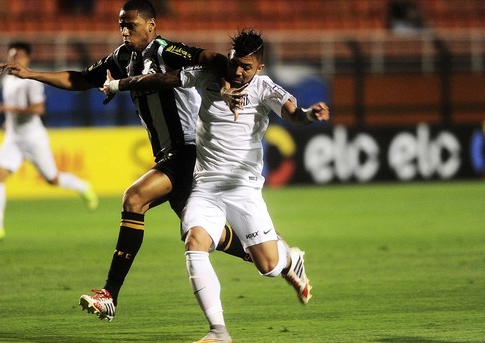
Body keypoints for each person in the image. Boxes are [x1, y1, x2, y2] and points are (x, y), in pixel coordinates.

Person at [0, 0, 251, 321]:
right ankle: (272, 254)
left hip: (190, 150)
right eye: (120, 25)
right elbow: (81, 80)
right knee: (198, 233)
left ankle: (109, 294)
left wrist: (227, 83)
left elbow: (211, 59)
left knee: (134, 199)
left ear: (151, 25)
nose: (124, 31)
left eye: (130, 25)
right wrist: (31, 74)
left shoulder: (167, 51)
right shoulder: (122, 58)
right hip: (169, 154)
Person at [102, 29, 329, 342]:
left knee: (268, 265)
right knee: (194, 242)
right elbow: (161, 80)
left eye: (246, 67)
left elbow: (294, 114)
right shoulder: (207, 76)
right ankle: (218, 332)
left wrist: (309, 115)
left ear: (259, 68)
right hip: (206, 185)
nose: (238, 71)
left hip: (243, 189)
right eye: (235, 63)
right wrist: (117, 83)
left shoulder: (266, 89)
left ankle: (290, 259)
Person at [0, 41, 99, 241]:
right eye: (11, 56)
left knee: (52, 179)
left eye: (17, 56)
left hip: (33, 137)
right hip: (13, 138)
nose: (13, 60)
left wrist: (9, 111)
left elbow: (38, 109)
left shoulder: (30, 81)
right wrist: (8, 122)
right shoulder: (8, 80)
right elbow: (14, 108)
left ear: (28, 58)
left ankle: (83, 186)